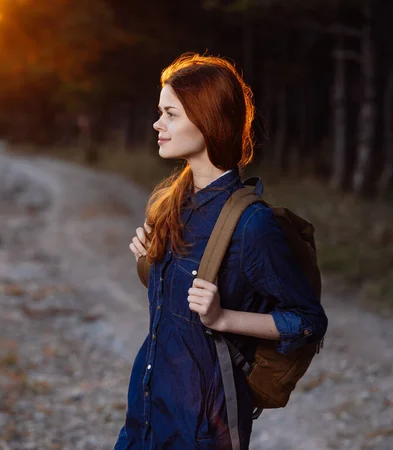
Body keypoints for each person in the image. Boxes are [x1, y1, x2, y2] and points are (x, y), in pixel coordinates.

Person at [114, 53, 328, 449]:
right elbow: (175, 305)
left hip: (203, 429)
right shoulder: (172, 204)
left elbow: (307, 321)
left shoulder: (252, 224)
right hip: (146, 411)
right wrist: (148, 259)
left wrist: (223, 317)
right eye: (160, 112)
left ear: (207, 119)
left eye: (170, 114)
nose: (158, 124)